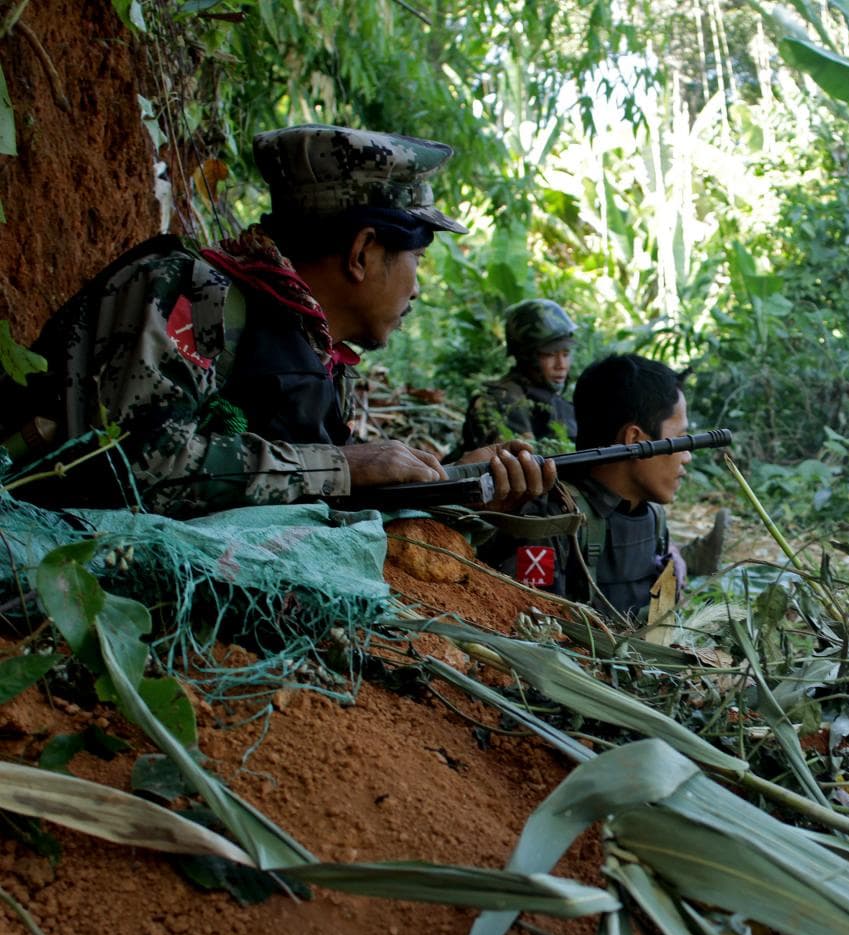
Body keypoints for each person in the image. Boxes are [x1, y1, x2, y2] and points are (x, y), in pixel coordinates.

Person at [6, 124, 553, 516]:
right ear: (362, 252)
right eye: (418, 260)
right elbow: (133, 466)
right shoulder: (190, 292)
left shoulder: (316, 353)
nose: (418, 287)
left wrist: (453, 481)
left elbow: (295, 494)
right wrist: (342, 465)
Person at [493, 353, 727, 622]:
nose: (687, 455)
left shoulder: (651, 515)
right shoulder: (552, 522)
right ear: (635, 439)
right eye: (679, 439)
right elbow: (532, 631)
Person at [459, 298, 579, 450]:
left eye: (566, 353)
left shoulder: (561, 397)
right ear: (526, 357)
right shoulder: (503, 400)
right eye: (549, 355)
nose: (561, 365)